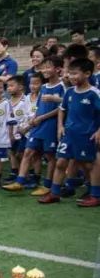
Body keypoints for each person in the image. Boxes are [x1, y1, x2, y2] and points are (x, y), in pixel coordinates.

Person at [39, 58, 100, 205]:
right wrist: (60, 126)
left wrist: (99, 131)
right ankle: (54, 193)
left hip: (86, 135)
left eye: (75, 74)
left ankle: (96, 195)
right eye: (69, 73)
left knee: (88, 165)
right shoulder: (70, 92)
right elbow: (62, 109)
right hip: (69, 135)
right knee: (60, 163)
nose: (71, 77)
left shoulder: (94, 93)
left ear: (87, 73)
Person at [6, 57, 63, 194]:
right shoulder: (44, 87)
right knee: (28, 152)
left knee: (50, 156)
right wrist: (33, 120)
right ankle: (19, 182)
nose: (45, 70)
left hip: (50, 125)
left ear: (58, 69)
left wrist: (42, 117)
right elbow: (38, 107)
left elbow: (62, 108)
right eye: (43, 67)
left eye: (48, 67)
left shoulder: (61, 87)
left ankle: (47, 185)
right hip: (38, 125)